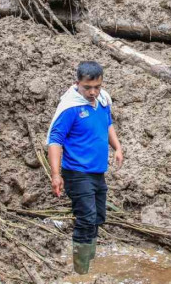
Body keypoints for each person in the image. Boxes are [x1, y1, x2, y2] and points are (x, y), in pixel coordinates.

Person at [47, 61, 124, 274]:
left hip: (97, 172)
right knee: (87, 218)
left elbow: (107, 124)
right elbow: (55, 140)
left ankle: (88, 263)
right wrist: (55, 174)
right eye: (87, 88)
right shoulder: (70, 107)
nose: (92, 92)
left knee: (98, 217)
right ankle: (81, 272)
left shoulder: (102, 101)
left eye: (97, 87)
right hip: (77, 173)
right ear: (77, 84)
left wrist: (117, 147)